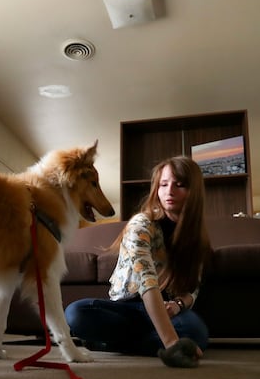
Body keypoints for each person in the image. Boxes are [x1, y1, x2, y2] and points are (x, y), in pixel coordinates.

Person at [65, 156, 211, 368]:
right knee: (76, 313)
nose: (169, 191)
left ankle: (110, 344)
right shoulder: (141, 224)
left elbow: (192, 288)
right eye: (163, 184)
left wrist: (178, 305)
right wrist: (172, 344)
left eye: (179, 185)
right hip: (127, 307)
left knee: (196, 332)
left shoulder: (196, 237)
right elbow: (146, 279)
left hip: (165, 309)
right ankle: (153, 339)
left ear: (194, 191)